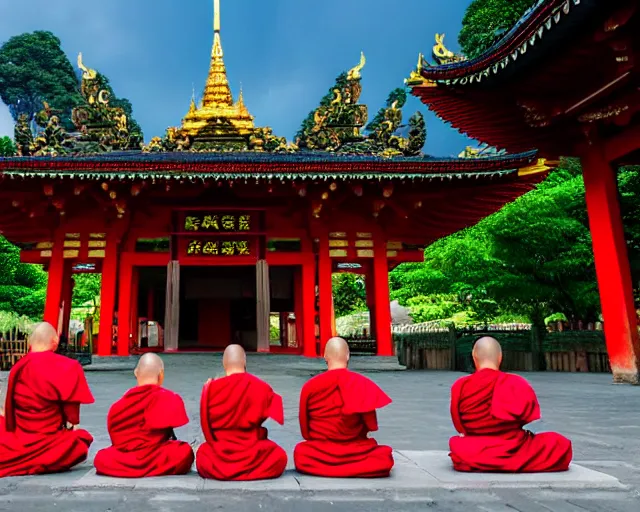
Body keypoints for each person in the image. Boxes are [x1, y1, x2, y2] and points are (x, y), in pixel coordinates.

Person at [449, 336, 573, 472]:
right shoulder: (516, 383)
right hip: (514, 447)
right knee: (559, 444)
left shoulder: (460, 385)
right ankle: (513, 462)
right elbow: (527, 417)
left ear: (474, 356)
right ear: (500, 357)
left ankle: (482, 461)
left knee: (459, 445)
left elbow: (459, 425)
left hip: (476, 448)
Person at [0, 322, 94, 477]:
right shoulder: (68, 366)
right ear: (55, 342)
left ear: (30, 343)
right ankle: (44, 459)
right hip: (50, 440)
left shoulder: (18, 367)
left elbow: (10, 411)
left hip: (21, 436)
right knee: (80, 440)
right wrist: (72, 426)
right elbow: (72, 417)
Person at [294, 337, 394, 478]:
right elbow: (371, 425)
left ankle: (326, 468)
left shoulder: (310, 386)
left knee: (301, 452)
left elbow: (305, 431)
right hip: (357, 451)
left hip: (320, 452)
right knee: (383, 457)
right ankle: (359, 468)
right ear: (348, 355)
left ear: (324, 356)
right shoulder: (363, 384)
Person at [94, 353, 194, 477]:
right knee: (184, 452)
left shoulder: (117, 406)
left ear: (136, 373)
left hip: (124, 459)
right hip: (155, 457)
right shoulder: (169, 398)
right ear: (161, 375)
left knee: (102, 458)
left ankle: (125, 470)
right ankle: (153, 469)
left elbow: (116, 439)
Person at [196, 345, 287, 481]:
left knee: (203, 454)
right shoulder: (261, 386)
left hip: (220, 455)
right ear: (244, 362)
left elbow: (207, 431)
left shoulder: (210, 388)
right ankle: (253, 472)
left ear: (224, 363)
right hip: (252, 453)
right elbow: (275, 413)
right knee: (278, 456)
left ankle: (224, 472)